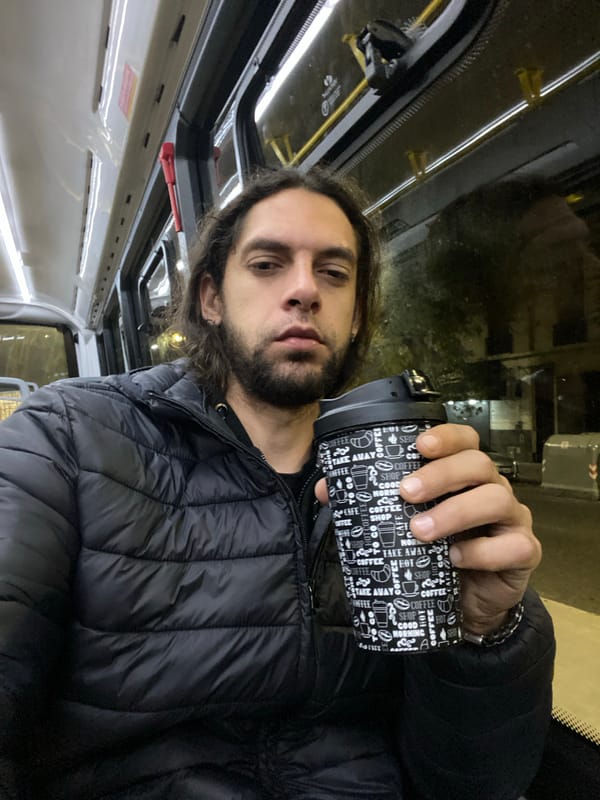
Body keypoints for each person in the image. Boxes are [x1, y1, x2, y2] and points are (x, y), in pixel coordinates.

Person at [0, 167, 555, 799]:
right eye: (267, 264)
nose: (303, 290)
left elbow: (476, 781)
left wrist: (487, 630)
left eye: (334, 273)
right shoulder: (72, 437)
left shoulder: (407, 476)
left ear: (356, 313)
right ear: (211, 298)